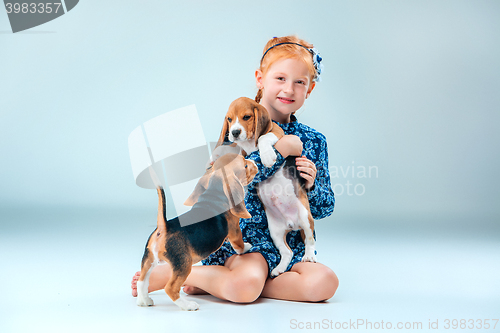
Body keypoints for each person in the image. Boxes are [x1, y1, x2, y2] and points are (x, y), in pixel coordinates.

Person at [132, 35, 338, 303]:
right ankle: (181, 273)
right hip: (245, 244)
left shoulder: (313, 140)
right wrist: (280, 151)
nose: (289, 89)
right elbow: (234, 189)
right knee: (245, 286)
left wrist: (312, 184)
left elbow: (325, 208)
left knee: (324, 283)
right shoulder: (237, 132)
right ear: (260, 79)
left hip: (289, 247)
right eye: (280, 78)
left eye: (299, 82)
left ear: (309, 89)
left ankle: (218, 281)